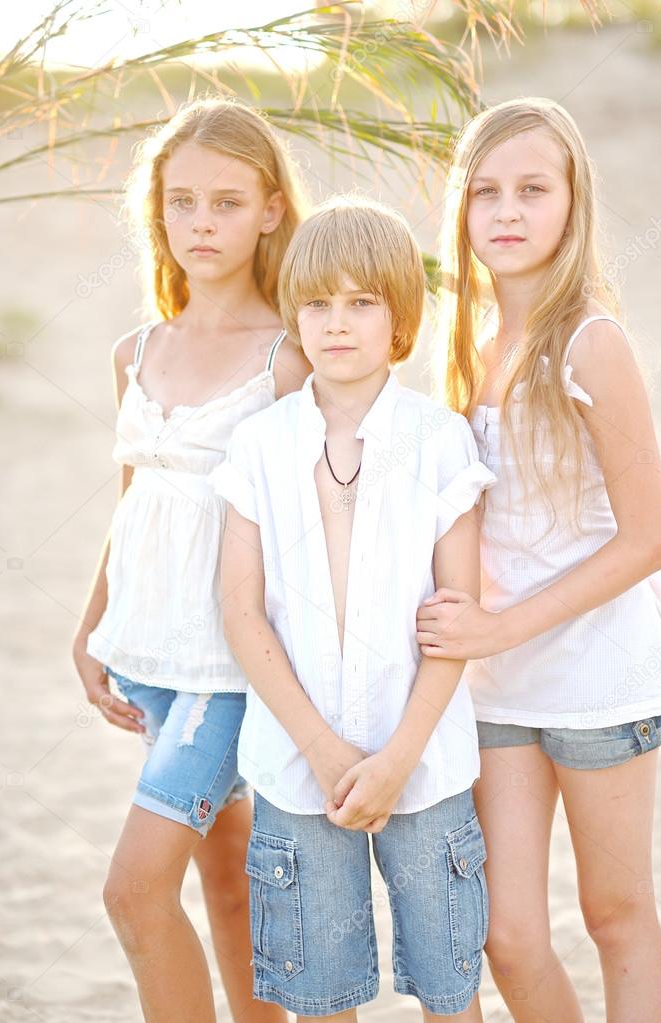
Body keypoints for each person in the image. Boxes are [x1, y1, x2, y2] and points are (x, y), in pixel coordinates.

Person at [418, 97, 661, 1022]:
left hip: (599, 674)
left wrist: (497, 626)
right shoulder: (468, 350)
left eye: (532, 189)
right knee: (508, 933)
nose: (507, 211)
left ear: (572, 202)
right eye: (484, 192)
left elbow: (652, 535)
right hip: (496, 683)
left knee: (615, 915)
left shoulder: (589, 342)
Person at [209, 196, 497, 1021]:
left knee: (449, 990)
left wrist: (397, 757)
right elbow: (240, 612)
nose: (337, 322)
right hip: (300, 769)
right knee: (320, 994)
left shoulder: (439, 440)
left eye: (362, 301)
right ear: (295, 315)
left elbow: (456, 617)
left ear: (399, 318)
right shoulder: (258, 444)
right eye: (317, 302)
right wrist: (327, 753)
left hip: (426, 762)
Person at [72, 97, 310, 1023]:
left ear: (270, 210)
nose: (201, 224)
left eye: (225, 202)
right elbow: (136, 500)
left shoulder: (287, 360)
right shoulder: (137, 350)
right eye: (181, 203)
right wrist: (91, 625)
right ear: (156, 212)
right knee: (226, 880)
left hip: (229, 668)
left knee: (133, 890)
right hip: (153, 654)